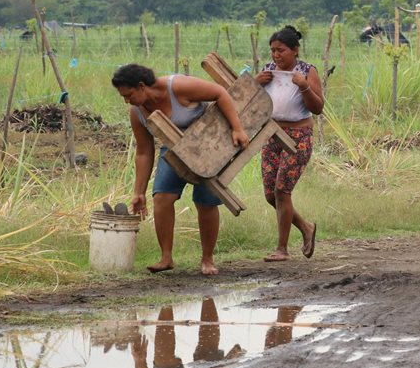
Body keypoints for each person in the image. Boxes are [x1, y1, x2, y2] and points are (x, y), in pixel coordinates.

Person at [112, 63, 250, 276]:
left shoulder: (178, 87)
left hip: (208, 145)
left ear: (141, 86)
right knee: (161, 198)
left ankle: (207, 259)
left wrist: (237, 128)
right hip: (174, 151)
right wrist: (138, 192)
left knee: (205, 202)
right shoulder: (137, 113)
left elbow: (220, 93)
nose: (127, 101)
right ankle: (166, 258)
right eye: (123, 97)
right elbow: (144, 152)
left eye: (129, 95)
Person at [256, 25, 323, 261]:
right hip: (271, 136)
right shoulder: (268, 71)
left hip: (298, 138)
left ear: (295, 50)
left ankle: (282, 249)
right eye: (273, 50)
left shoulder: (307, 71)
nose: (276, 55)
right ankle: (306, 227)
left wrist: (303, 85)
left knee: (282, 191)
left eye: (281, 50)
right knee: (270, 195)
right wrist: (256, 83)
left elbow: (318, 107)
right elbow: (250, 103)